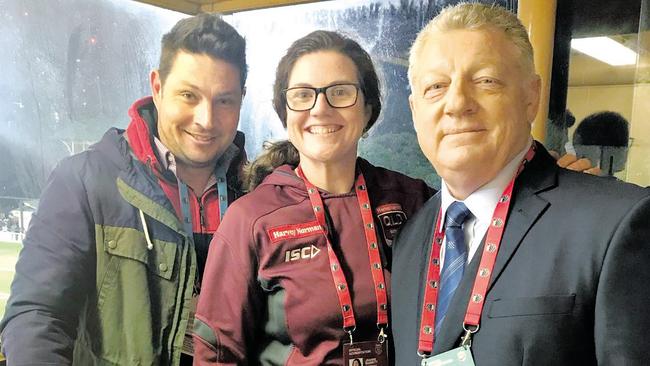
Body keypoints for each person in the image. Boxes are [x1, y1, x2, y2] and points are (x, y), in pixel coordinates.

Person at [391, 3, 650, 366]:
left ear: (531, 96)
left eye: (485, 81)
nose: (458, 103)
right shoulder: (409, 237)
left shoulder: (617, 223)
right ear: (415, 110)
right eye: (436, 87)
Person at [0, 14, 247, 365]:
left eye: (224, 100)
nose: (206, 119)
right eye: (189, 95)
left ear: (242, 99)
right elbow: (36, 316)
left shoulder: (256, 194)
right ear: (157, 89)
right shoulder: (84, 181)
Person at [192, 30, 434, 365]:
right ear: (285, 113)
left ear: (368, 109)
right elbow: (217, 354)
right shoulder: (250, 220)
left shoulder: (414, 201)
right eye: (303, 95)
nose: (320, 109)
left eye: (340, 92)